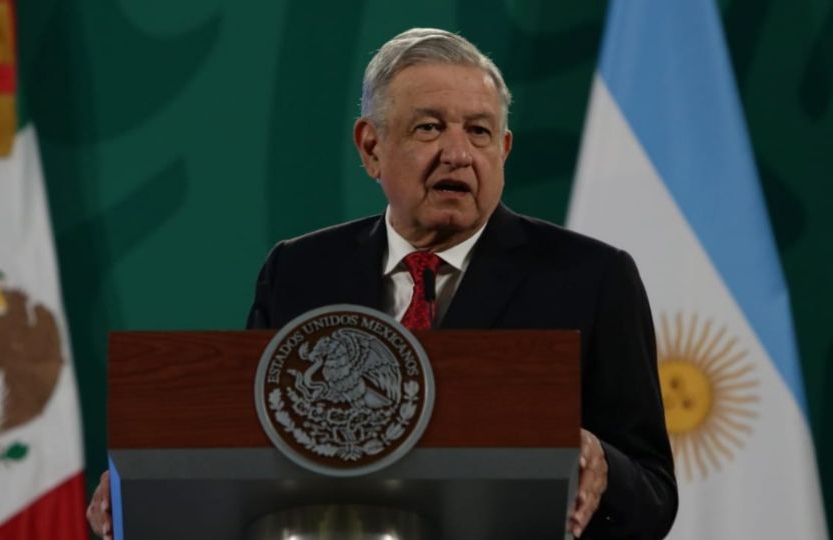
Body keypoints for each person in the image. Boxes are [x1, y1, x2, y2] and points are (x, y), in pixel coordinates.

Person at [88, 28, 677, 539]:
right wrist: (143, 482)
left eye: (478, 132)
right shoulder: (299, 271)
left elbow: (654, 496)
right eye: (429, 127)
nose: (458, 153)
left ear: (504, 149)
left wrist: (602, 464)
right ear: (371, 147)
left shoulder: (591, 277)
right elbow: (251, 442)